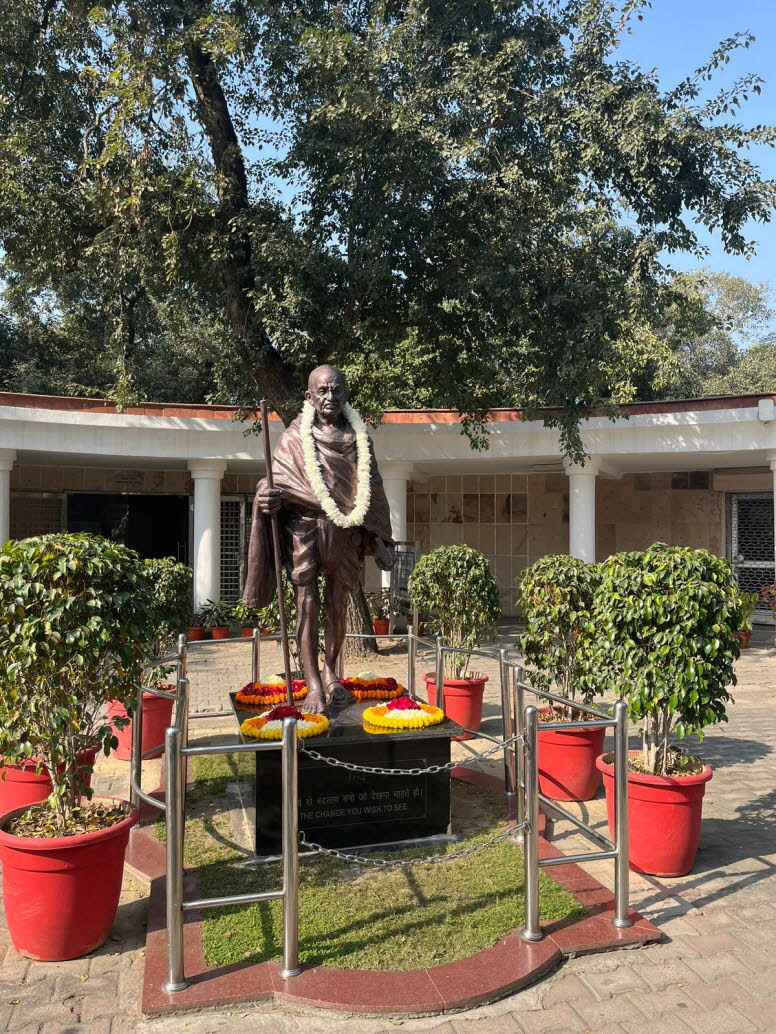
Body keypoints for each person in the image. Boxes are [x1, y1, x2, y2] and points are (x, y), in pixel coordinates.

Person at [244, 365, 395, 712]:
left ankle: (330, 674)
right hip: (305, 529)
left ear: (346, 393)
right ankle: (313, 686)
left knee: (338, 609)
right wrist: (264, 495)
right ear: (309, 397)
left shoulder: (360, 437)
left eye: (336, 390)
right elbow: (276, 480)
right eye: (322, 391)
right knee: (306, 608)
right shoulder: (295, 437)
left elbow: (375, 489)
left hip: (347, 534)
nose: (330, 397)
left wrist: (381, 538)